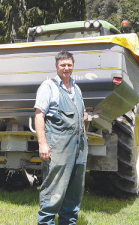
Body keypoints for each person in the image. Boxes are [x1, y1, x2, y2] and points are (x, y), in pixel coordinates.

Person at [34, 50, 88, 225]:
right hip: (59, 146)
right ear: (56, 66)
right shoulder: (48, 86)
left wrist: (85, 140)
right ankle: (46, 222)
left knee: (75, 189)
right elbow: (39, 115)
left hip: (79, 147)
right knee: (54, 188)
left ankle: (68, 222)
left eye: (69, 65)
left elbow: (81, 115)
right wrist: (42, 144)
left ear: (73, 67)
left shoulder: (76, 87)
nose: (66, 68)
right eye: (63, 65)